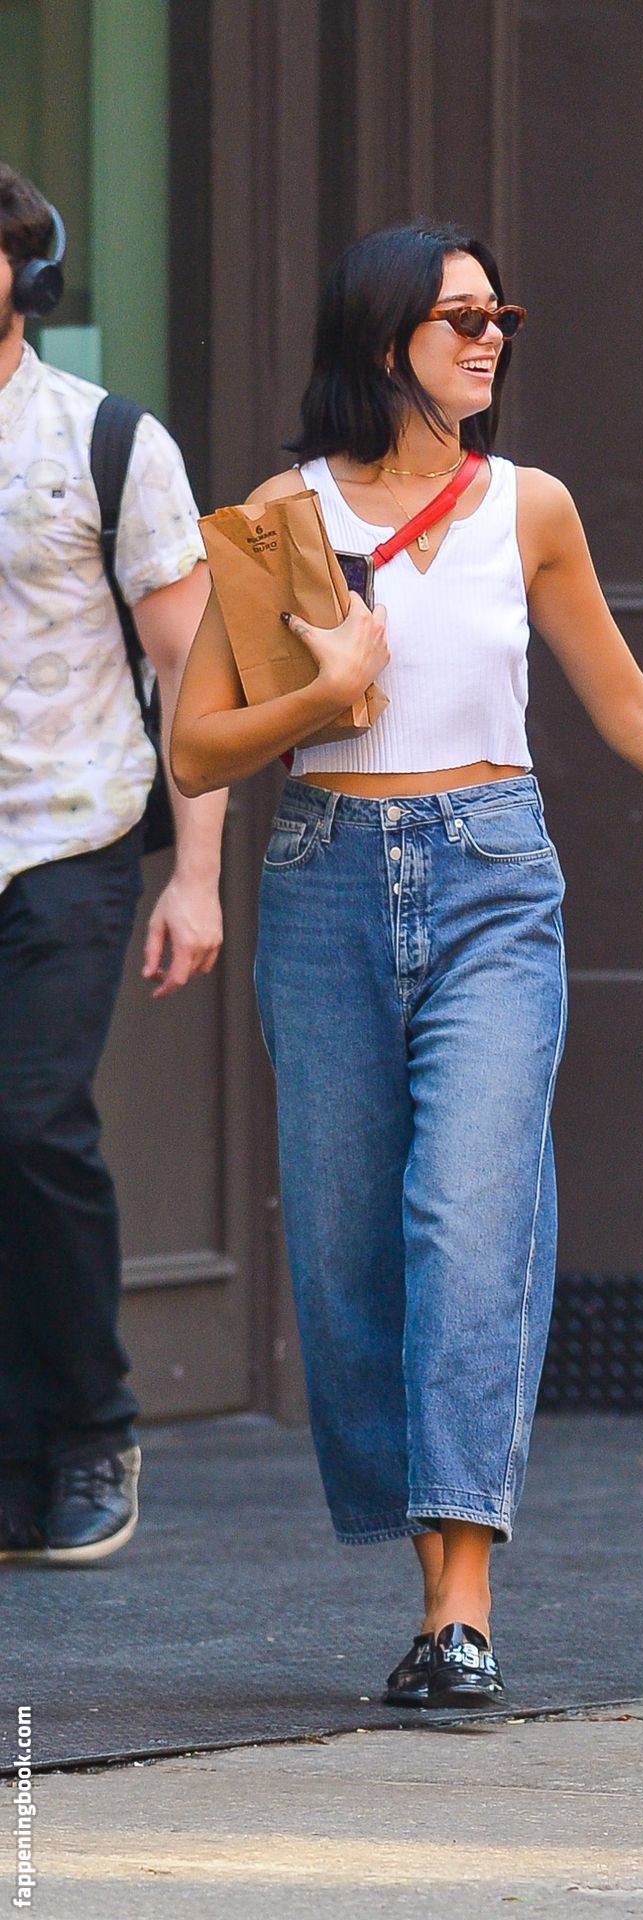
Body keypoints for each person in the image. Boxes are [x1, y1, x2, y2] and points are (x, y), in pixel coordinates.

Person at [171, 221, 643, 1709]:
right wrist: (323, 689)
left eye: (499, 313)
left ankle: (463, 1610)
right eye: (460, 317)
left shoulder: (532, 506)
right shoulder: (279, 518)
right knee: (347, 1247)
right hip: (324, 883)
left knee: (470, 1212)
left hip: (494, 881)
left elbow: (632, 708)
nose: (490, 336)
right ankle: (423, 1569)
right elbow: (196, 748)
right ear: (384, 337)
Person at [0, 165, 225, 1565]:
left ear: (24, 274)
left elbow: (193, 670)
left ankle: (92, 1429)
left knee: (30, 1127)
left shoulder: (107, 441)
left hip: (65, 836)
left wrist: (195, 876)